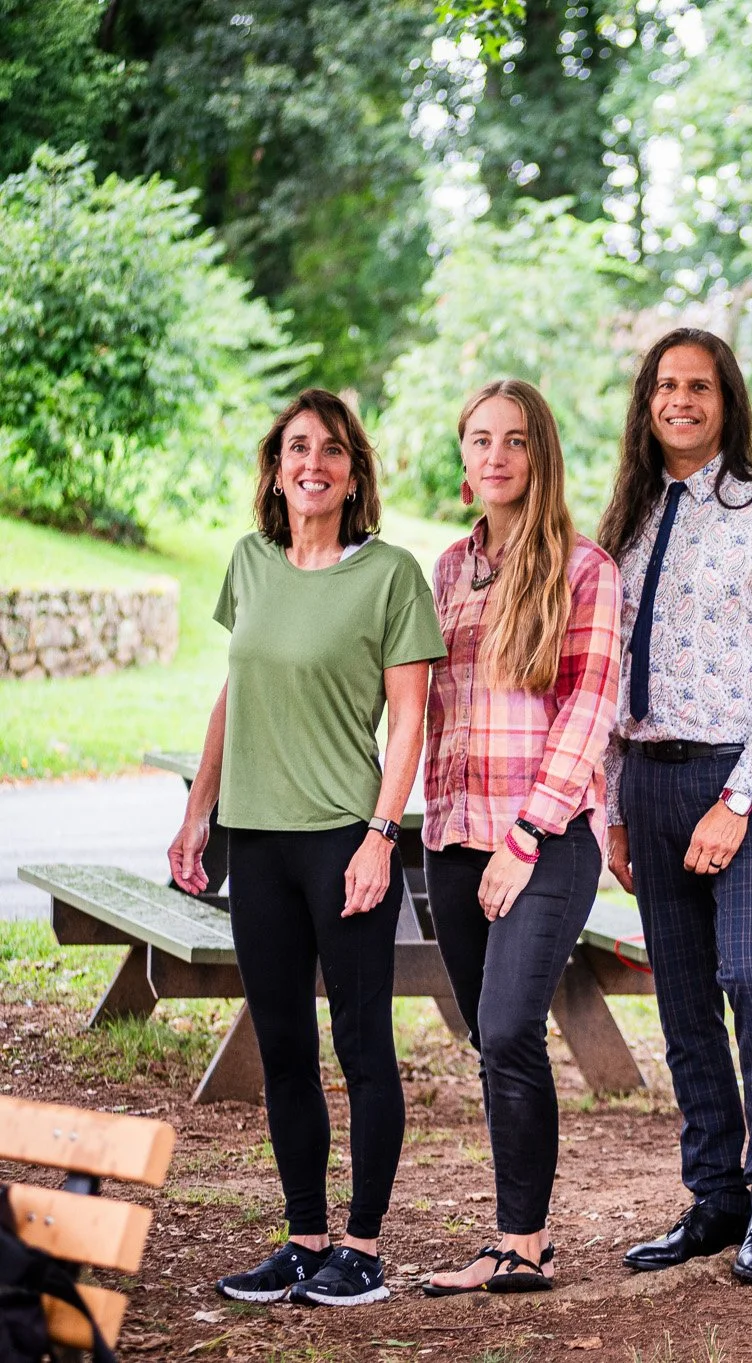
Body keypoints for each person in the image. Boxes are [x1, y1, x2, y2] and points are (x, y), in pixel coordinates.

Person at [170, 390, 446, 1308]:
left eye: (331, 449)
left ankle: (362, 1246)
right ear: (277, 466)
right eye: (297, 447)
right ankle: (304, 1236)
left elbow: (408, 718)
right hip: (257, 840)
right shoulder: (250, 563)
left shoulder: (392, 575)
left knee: (362, 1045)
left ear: (354, 471)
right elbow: (232, 692)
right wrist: (198, 811)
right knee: (283, 1045)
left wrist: (381, 835)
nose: (313, 462)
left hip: (342, 840)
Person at [602, 328, 752, 1287]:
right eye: (665, 386)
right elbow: (607, 672)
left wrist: (737, 800)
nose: (680, 400)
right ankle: (714, 1196)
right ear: (646, 403)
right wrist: (612, 807)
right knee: (684, 996)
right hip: (647, 780)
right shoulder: (628, 520)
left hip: (742, 778)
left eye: (699, 386)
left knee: (746, 975)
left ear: (727, 401)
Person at [418, 380, 622, 1297]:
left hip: (543, 838)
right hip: (451, 838)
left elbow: (588, 710)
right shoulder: (447, 571)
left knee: (506, 1027)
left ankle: (524, 1243)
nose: (494, 456)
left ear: (540, 454)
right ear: (463, 459)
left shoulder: (585, 571)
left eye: (513, 440)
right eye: (478, 440)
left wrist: (527, 835)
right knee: (493, 1038)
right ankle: (517, 1232)